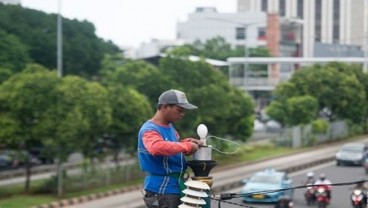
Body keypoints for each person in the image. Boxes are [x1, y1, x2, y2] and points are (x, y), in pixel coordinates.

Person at [137, 89, 204, 208]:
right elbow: (156, 147)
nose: (182, 114)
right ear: (165, 107)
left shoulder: (169, 127)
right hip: (162, 190)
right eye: (179, 110)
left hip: (174, 187)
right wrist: (186, 146)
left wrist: (186, 143)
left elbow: (170, 146)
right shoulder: (150, 129)